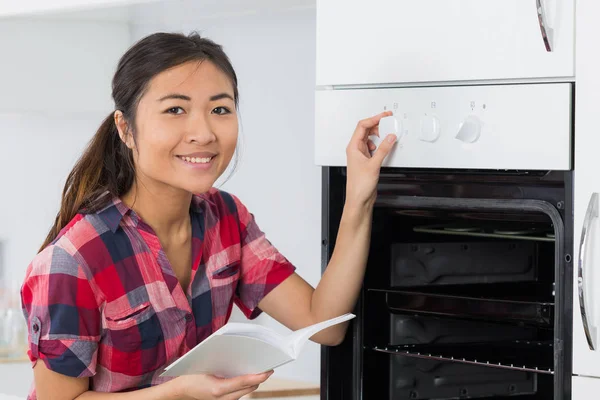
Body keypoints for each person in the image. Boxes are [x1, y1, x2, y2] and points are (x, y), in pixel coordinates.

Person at [20, 31, 397, 400]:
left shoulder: (226, 218)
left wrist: (359, 196)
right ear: (126, 128)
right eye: (175, 110)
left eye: (220, 109)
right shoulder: (73, 260)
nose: (203, 133)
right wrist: (177, 394)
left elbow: (323, 324)